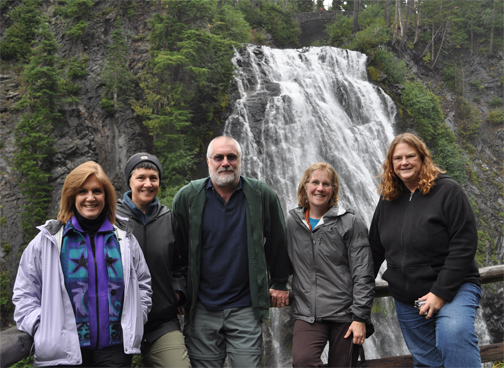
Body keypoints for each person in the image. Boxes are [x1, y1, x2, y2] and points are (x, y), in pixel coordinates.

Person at [12, 161, 152, 367]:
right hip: (63, 351)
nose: (90, 198)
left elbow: (143, 283)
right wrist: (43, 326)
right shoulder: (48, 240)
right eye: (82, 192)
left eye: (97, 191)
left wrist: (136, 318)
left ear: (106, 196)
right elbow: (24, 293)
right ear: (71, 196)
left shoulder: (124, 239)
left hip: (115, 351)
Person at [172, 135, 290, 368]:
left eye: (231, 157)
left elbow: (277, 241)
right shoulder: (187, 197)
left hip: (245, 307)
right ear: (208, 161)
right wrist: (179, 292)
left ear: (240, 160)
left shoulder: (262, 195)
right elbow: (178, 252)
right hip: (202, 308)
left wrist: (279, 283)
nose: (225, 162)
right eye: (219, 157)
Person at [369, 132, 481, 367]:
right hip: (409, 298)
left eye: (410, 156)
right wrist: (358, 289)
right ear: (391, 164)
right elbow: (374, 250)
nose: (404, 162)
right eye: (398, 158)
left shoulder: (448, 191)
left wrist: (440, 293)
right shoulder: (388, 199)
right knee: (428, 360)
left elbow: (464, 243)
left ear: (422, 158)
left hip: (453, 288)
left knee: (454, 336)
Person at [286, 162, 374, 368]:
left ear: (333, 190)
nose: (320, 188)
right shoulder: (292, 222)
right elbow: (280, 261)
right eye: (315, 182)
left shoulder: (350, 222)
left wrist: (360, 317)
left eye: (327, 184)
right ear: (305, 186)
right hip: (308, 313)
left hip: (345, 313)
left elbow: (363, 273)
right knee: (303, 361)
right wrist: (278, 284)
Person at [116, 153, 191, 368]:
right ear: (129, 181)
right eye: (141, 177)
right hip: (118, 324)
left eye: (153, 178)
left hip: (161, 321)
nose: (147, 184)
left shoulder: (168, 218)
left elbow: (180, 264)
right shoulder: (111, 218)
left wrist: (177, 293)